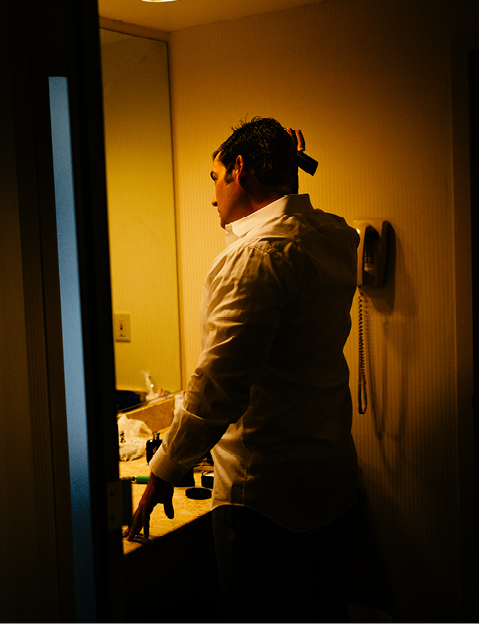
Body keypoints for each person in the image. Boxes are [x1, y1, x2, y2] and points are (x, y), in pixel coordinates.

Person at [123, 117, 359, 622]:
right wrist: (286, 175)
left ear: (239, 168)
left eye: (215, 177)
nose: (212, 197)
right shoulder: (335, 237)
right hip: (332, 484)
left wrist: (165, 471)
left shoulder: (256, 258)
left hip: (266, 503)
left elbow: (219, 388)